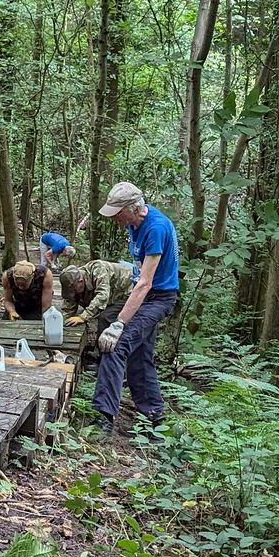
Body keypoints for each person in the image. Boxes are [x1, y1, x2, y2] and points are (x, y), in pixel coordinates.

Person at [91, 182, 180, 432]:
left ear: (135, 208)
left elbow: (145, 282)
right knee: (140, 356)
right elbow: (138, 275)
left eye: (119, 213)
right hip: (145, 296)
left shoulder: (156, 228)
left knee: (115, 345)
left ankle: (104, 418)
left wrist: (119, 323)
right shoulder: (135, 224)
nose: (116, 219)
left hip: (159, 297)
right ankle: (153, 417)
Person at [59, 260, 133, 346]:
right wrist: (62, 322)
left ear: (80, 281)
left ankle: (104, 350)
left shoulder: (98, 269)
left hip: (126, 294)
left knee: (105, 317)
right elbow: (69, 302)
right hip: (111, 296)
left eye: (74, 289)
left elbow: (102, 296)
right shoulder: (73, 281)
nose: (74, 292)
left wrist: (83, 316)